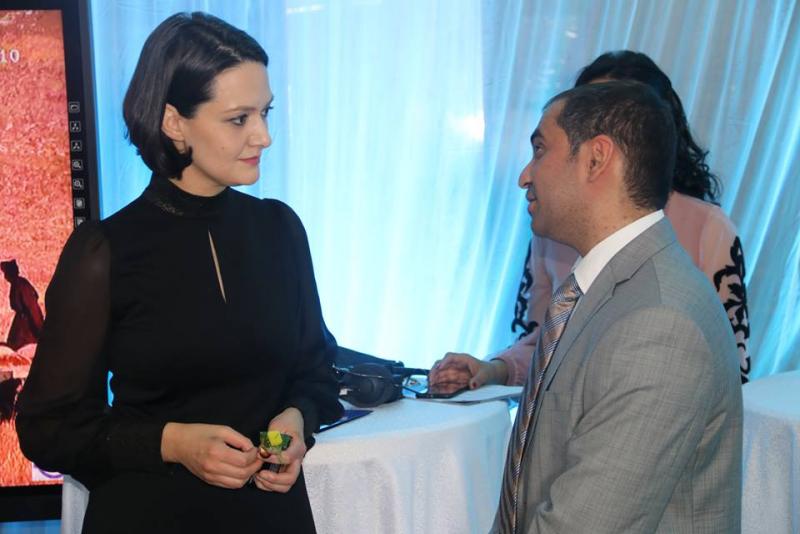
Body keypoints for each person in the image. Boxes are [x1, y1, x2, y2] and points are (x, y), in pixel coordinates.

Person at [16, 12, 342, 533]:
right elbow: (47, 429)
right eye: (239, 119)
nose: (263, 136)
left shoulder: (280, 229)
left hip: (272, 517)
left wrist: (296, 419)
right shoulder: (103, 252)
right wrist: (172, 443)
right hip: (150, 515)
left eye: (265, 113)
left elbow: (316, 370)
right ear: (173, 123)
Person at [491, 80, 742, 532]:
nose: (525, 175)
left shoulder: (661, 324)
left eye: (540, 150)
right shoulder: (603, 290)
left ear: (596, 159)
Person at [429, 51, 751, 391]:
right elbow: (544, 344)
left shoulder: (709, 229)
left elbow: (728, 368)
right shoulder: (550, 232)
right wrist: (494, 370)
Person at [1, 259, 44, 350]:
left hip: (27, 325)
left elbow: (30, 307)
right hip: (23, 321)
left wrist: (38, 329)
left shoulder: (19, 284)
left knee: (17, 347)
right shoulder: (18, 283)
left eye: (6, 273)